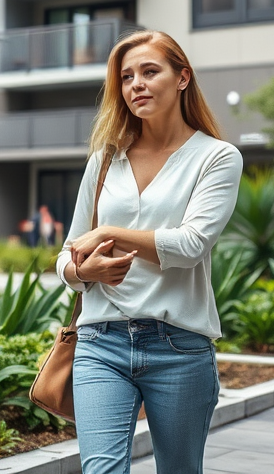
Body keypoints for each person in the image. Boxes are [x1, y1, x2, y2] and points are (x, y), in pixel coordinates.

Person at [57, 30, 243, 474]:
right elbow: (69, 254)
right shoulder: (105, 158)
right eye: (126, 77)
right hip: (101, 343)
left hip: (178, 346)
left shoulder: (216, 157)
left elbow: (191, 246)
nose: (136, 84)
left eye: (149, 71)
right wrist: (86, 273)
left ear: (182, 78)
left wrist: (109, 233)